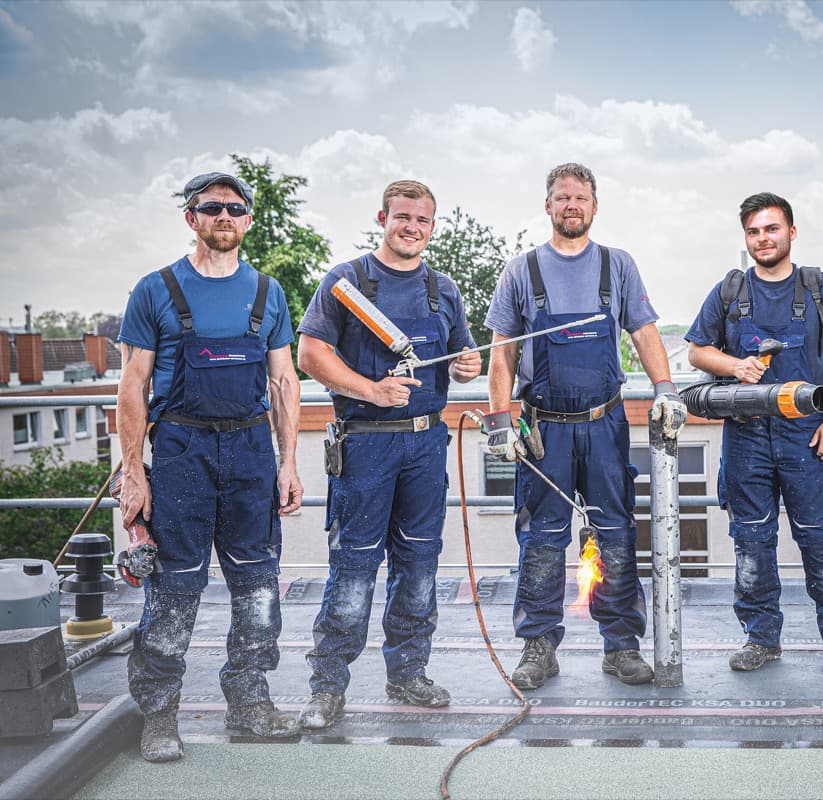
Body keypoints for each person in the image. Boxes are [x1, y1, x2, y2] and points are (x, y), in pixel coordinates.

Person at [117, 172, 304, 762]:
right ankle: (160, 715)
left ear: (248, 220)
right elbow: (131, 387)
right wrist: (133, 473)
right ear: (192, 218)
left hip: (250, 453)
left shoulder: (267, 292)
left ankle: (249, 702)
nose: (225, 215)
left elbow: (283, 380)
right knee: (174, 592)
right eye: (212, 207)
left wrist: (288, 462)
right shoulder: (155, 289)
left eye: (235, 208)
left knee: (257, 587)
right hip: (180, 453)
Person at [483, 162, 687, 689]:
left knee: (616, 535)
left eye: (580, 197)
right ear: (547, 205)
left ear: (595, 207)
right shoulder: (520, 271)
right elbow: (501, 354)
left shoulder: (616, 266)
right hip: (543, 430)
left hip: (604, 425)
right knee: (542, 539)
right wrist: (500, 419)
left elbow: (643, 332)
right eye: (561, 197)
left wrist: (665, 390)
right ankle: (538, 646)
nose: (571, 205)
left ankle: (621, 646)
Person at [295, 180, 481, 728]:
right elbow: (309, 353)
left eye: (422, 221)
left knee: (420, 563)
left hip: (426, 442)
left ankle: (408, 672)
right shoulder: (347, 282)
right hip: (366, 444)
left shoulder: (441, 289)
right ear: (383, 217)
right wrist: (370, 389)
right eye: (403, 217)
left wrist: (465, 366)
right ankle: (328, 685)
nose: (412, 228)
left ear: (432, 226)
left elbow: (460, 354)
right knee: (354, 567)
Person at [685, 192, 823, 677]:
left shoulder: (819, 288)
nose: (763, 239)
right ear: (746, 238)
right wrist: (734, 365)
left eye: (771, 229)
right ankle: (760, 637)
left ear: (791, 232)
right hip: (746, 439)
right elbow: (698, 352)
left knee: (820, 540)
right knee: (751, 542)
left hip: (808, 436)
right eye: (753, 232)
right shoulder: (729, 291)